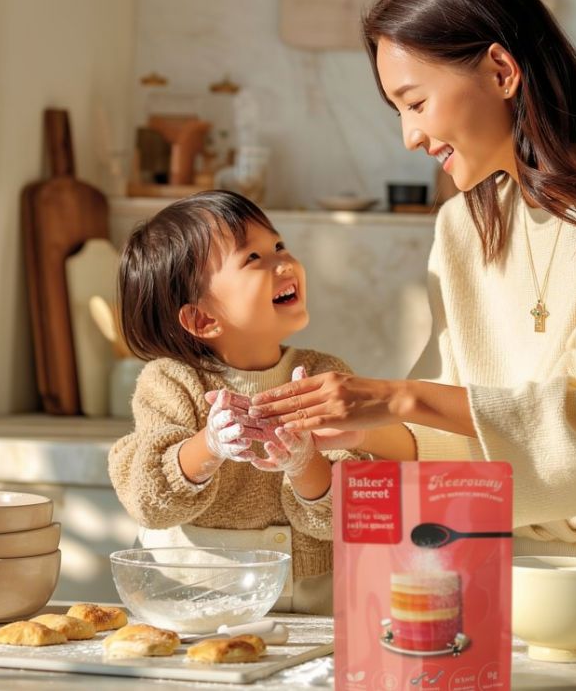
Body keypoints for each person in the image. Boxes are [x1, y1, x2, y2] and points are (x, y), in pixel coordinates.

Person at [247, 0, 576, 632]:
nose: (410, 136)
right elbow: (451, 438)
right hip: (501, 583)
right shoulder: (463, 228)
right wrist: (348, 429)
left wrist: (393, 397)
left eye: (416, 102)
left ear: (500, 71)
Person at [107, 190, 390, 615]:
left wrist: (303, 462)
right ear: (202, 318)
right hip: (190, 598)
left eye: (278, 246)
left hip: (312, 605)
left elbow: (352, 508)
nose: (284, 262)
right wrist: (211, 444)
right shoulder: (171, 381)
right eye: (252, 259)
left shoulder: (322, 375)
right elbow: (148, 497)